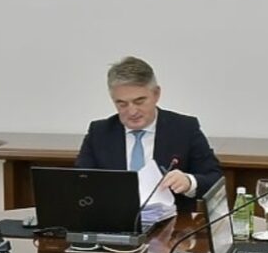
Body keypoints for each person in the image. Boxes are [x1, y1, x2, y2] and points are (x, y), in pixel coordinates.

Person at [76, 56, 222, 213]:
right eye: (122, 104)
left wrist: (189, 182)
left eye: (139, 101)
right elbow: (79, 183)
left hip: (173, 223)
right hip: (112, 221)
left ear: (156, 94)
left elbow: (215, 179)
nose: (132, 111)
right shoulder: (99, 133)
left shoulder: (184, 128)